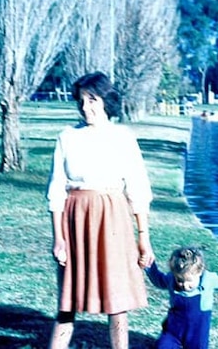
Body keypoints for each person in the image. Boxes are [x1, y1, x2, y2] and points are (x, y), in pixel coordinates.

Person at [46, 71, 155, 349]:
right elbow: (56, 189)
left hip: (113, 220)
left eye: (92, 100)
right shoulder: (67, 136)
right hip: (75, 220)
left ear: (106, 100)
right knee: (67, 301)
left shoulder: (122, 137)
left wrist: (143, 238)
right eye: (81, 101)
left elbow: (138, 190)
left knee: (116, 300)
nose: (86, 107)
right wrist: (58, 238)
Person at [145, 246, 218, 349]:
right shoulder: (172, 279)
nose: (184, 285)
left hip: (197, 331)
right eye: (180, 280)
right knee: (163, 346)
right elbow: (160, 281)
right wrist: (150, 267)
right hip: (174, 328)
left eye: (189, 281)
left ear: (199, 272)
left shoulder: (207, 280)